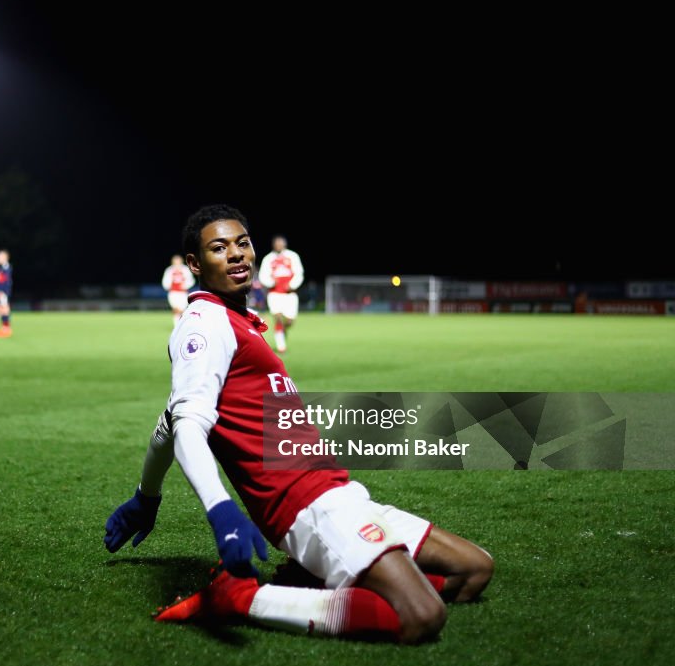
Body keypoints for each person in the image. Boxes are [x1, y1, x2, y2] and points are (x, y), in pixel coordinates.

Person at [103, 205, 492, 644]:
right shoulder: (205, 324)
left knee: (475, 570)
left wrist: (145, 497)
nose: (236, 254)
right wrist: (220, 510)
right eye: (218, 248)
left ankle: (317, 579)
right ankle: (244, 598)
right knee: (422, 616)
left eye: (242, 243)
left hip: (338, 490)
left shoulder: (237, 321)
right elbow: (187, 424)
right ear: (195, 264)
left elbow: (168, 422)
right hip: (306, 505)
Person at [258, 235, 304, 353]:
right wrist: (271, 282)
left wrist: (292, 285)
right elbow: (263, 276)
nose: (278, 245)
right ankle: (281, 346)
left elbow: (299, 273)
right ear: (273, 245)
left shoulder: (292, 256)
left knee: (289, 321)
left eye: (280, 243)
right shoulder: (268, 259)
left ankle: (283, 332)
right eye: (276, 243)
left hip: (290, 295)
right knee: (277, 318)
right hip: (274, 294)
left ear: (284, 244)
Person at [161, 254, 195, 325]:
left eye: (178, 261)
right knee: (176, 309)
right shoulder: (169, 270)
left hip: (183, 293)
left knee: (182, 310)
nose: (177, 263)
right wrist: (167, 286)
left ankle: (182, 325)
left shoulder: (185, 269)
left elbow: (191, 280)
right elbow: (165, 281)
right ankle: (176, 326)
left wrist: (185, 285)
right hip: (173, 293)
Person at [0, 250, 13, 338]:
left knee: (4, 309)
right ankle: (3, 327)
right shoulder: (0, 269)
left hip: (4, 292)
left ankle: (6, 329)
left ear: (5, 258)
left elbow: (7, 282)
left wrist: (2, 292)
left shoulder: (7, 268)